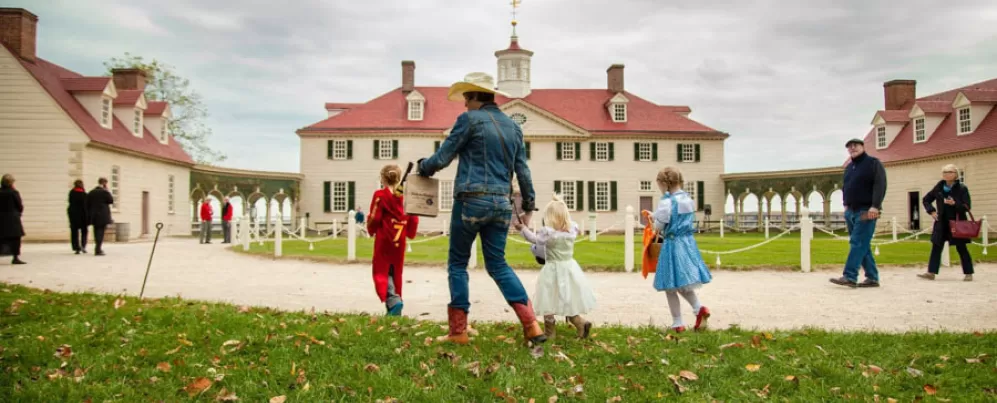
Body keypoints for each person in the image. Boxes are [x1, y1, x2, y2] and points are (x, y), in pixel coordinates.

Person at [417, 72, 545, 346]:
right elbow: (522, 170)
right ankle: (532, 325)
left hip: (470, 201)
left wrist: (422, 167)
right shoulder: (514, 127)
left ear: (475, 97)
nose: (464, 105)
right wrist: (529, 207)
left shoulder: (469, 120)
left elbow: (443, 157)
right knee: (498, 264)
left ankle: (458, 332)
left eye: (466, 98)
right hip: (501, 204)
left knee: (458, 264)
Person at [516, 194, 596, 340]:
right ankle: (580, 323)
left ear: (549, 217)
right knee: (568, 298)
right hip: (570, 268)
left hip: (553, 269)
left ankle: (550, 332)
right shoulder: (571, 231)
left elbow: (535, 240)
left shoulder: (549, 234)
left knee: (549, 298)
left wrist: (522, 229)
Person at [652, 167, 712, 332]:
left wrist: (653, 220)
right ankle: (698, 309)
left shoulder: (666, 202)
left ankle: (677, 322)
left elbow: (659, 226)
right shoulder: (687, 199)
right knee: (683, 283)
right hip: (687, 243)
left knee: (669, 284)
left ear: (665, 183)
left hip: (672, 244)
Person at [830, 138, 887, 288]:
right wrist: (846, 206)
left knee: (857, 242)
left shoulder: (873, 163)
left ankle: (850, 276)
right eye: (849, 147)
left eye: (855, 146)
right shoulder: (849, 167)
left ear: (862, 147)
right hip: (851, 211)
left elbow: (880, 185)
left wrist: (875, 206)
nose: (852, 148)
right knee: (863, 245)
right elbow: (846, 187)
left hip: (866, 210)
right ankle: (872, 277)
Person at [367, 165, 419, 316]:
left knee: (381, 271)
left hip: (385, 238)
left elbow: (375, 217)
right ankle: (393, 309)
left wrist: (370, 227)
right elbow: (413, 217)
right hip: (400, 239)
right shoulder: (405, 197)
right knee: (395, 272)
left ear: (383, 178)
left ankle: (394, 300)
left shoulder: (380, 195)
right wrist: (410, 232)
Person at [918, 164, 974, 282]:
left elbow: (967, 206)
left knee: (961, 248)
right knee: (936, 246)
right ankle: (931, 272)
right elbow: (926, 200)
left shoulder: (962, 188)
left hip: (957, 222)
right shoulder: (938, 187)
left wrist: (955, 204)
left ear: (955, 174)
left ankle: (968, 273)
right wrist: (932, 211)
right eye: (944, 172)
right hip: (941, 222)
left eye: (949, 172)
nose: (946, 174)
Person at [0, 174, 26, 265]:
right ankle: (15, 257)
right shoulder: (13, 192)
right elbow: (19, 205)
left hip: (1, 219)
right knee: (15, 238)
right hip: (12, 219)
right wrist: (18, 213)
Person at [85, 177, 113, 256]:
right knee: (101, 232)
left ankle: (97, 247)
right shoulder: (104, 192)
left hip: (94, 215)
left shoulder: (91, 192)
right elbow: (111, 200)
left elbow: (87, 203)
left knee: (96, 231)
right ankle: (98, 249)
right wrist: (107, 191)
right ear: (104, 183)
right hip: (103, 215)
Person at [67, 179, 88, 254]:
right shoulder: (84, 194)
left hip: (73, 214)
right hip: (83, 215)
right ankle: (83, 245)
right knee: (84, 231)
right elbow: (86, 205)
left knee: (74, 232)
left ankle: (76, 247)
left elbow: (69, 202)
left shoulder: (71, 193)